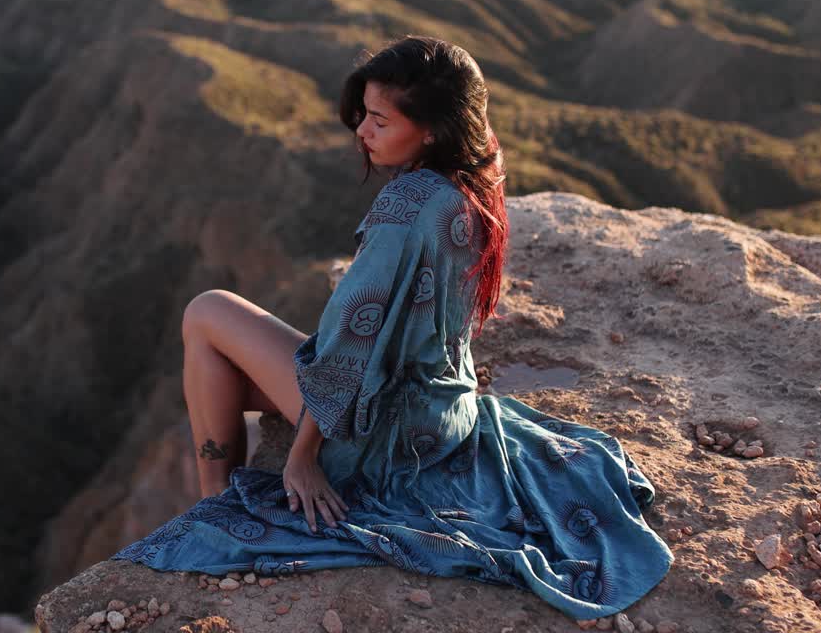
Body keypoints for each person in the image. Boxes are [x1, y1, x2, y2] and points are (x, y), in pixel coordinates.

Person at [112, 35, 673, 619]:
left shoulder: (404, 213)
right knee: (223, 367)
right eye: (364, 115)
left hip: (382, 435)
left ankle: (212, 500)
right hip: (444, 414)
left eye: (379, 119)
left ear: (429, 130)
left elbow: (345, 352)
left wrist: (301, 457)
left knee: (206, 312)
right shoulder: (477, 174)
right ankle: (217, 491)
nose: (362, 131)